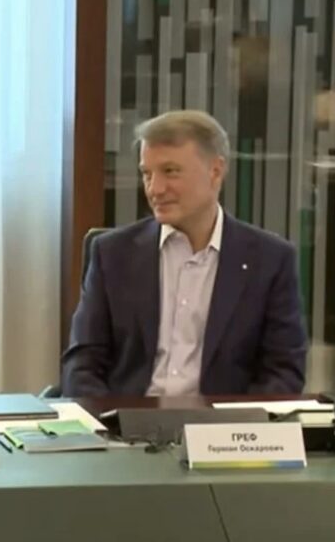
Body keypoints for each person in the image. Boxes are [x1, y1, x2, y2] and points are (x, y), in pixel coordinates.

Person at [61, 110, 307, 397]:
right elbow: (83, 363)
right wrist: (106, 419)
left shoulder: (270, 260)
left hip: (223, 422)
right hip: (126, 418)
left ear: (215, 171)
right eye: (147, 174)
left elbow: (283, 371)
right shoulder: (112, 254)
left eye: (170, 171)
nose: (155, 189)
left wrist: (238, 421)